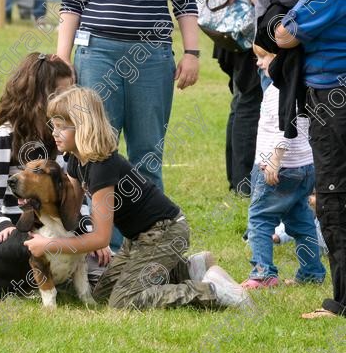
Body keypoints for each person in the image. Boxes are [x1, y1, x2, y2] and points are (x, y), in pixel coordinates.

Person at [24, 87, 252, 310]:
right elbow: (71, 211)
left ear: (84, 127)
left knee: (124, 300)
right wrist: (37, 207)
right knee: (102, 295)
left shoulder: (102, 167)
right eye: (53, 125)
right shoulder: (75, 160)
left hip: (165, 232)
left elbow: (101, 239)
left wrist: (50, 245)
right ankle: (189, 269)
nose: (54, 133)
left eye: (62, 127)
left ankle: (214, 291)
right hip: (137, 239)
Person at [56, 0, 199, 252]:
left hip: (153, 54)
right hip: (97, 51)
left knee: (148, 155)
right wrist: (63, 57)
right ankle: (104, 248)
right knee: (93, 151)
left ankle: (150, 248)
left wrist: (192, 52)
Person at [0, 53, 110, 284]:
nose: (67, 99)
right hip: (20, 236)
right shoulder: (4, 137)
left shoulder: (64, 139)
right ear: (36, 96)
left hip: (60, 233)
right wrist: (3, 225)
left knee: (109, 270)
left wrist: (88, 231)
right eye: (60, 93)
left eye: (71, 91)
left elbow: (76, 198)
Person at [275, 0, 346, 318]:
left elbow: (285, 35)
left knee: (335, 198)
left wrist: (288, 17)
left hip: (333, 95)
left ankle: (342, 303)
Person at [240, 44, 325, 290]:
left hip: (280, 167)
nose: (259, 63)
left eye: (264, 57)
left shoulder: (280, 91)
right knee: (301, 220)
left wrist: (274, 161)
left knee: (259, 219)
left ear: (282, 60)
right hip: (304, 168)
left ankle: (263, 273)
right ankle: (311, 271)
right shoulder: (303, 86)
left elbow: (285, 129)